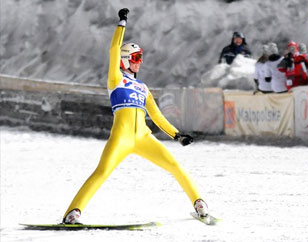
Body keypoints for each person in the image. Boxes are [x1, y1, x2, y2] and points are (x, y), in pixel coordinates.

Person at [62, 8, 209, 224]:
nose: (140, 62)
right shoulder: (115, 79)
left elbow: (156, 115)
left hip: (144, 138)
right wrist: (122, 23)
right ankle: (73, 213)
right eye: (136, 58)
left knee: (175, 166)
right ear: (124, 60)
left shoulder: (142, 87)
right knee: (101, 172)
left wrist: (177, 135)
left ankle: (199, 203)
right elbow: (113, 49)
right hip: (121, 138)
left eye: (140, 58)